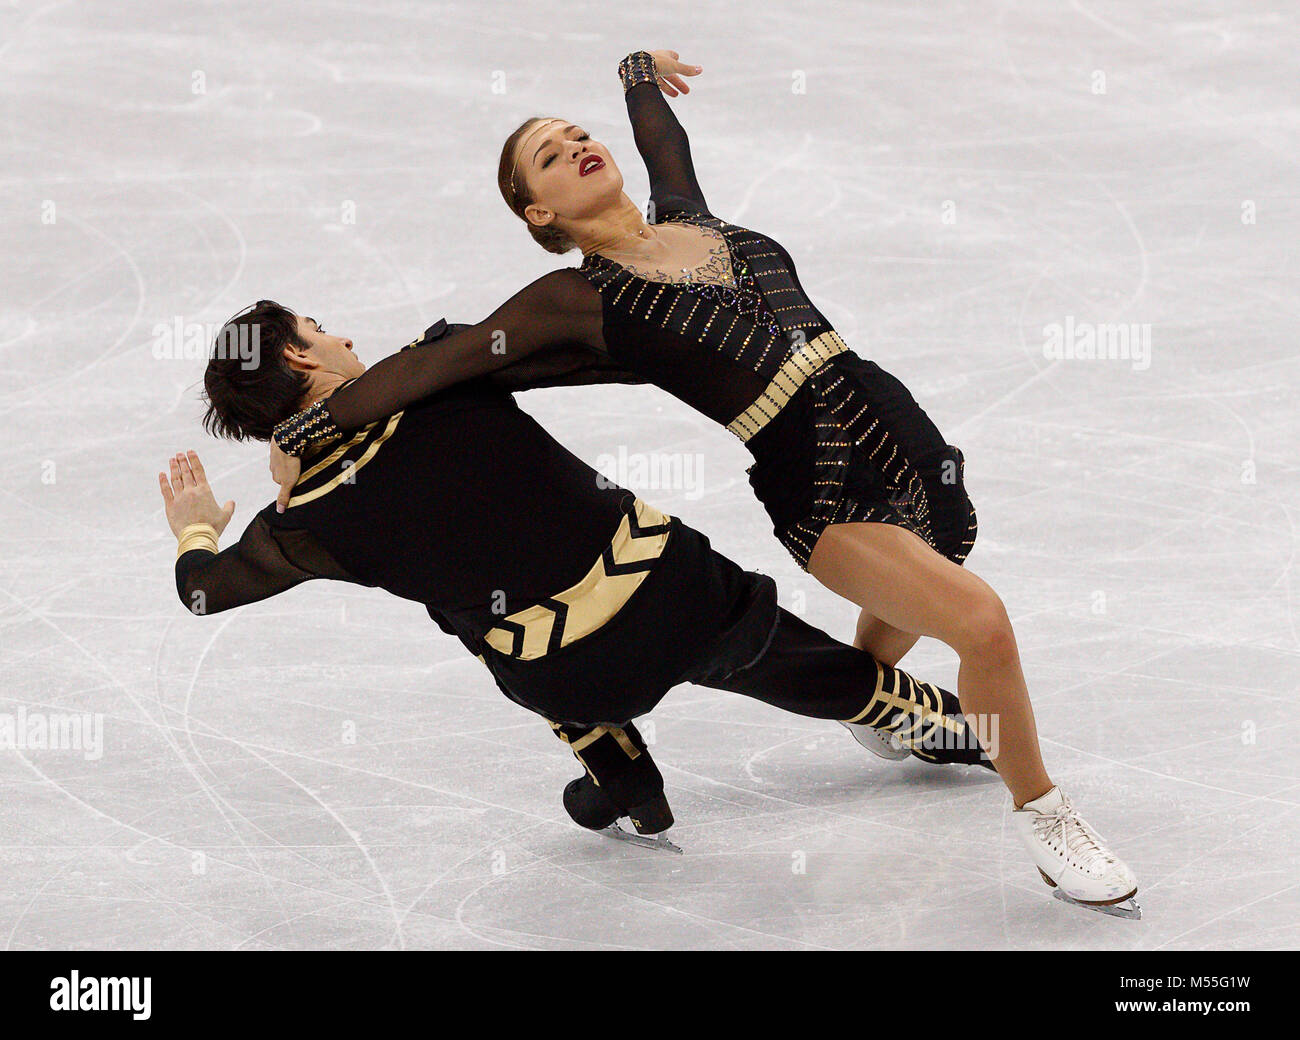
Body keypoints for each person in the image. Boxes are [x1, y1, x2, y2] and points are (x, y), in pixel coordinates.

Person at [262, 52, 1140, 916]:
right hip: (818, 479)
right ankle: (1045, 818)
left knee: (945, 553)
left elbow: (662, 143)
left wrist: (637, 74)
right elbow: (449, 361)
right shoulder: (576, 300)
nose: (577, 148)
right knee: (981, 626)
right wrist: (315, 422)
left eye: (578, 134)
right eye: (550, 156)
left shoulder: (691, 216)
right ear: (540, 211)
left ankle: (866, 694)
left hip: (889, 423)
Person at [165, 302, 989, 854]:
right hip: (680, 601)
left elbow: (204, 588)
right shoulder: (434, 371)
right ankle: (930, 718)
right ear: (298, 354)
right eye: (320, 327)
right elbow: (559, 344)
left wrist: (201, 522)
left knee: (476, 615)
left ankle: (624, 781)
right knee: (791, 657)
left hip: (573, 674)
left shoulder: (300, 522)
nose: (342, 335)